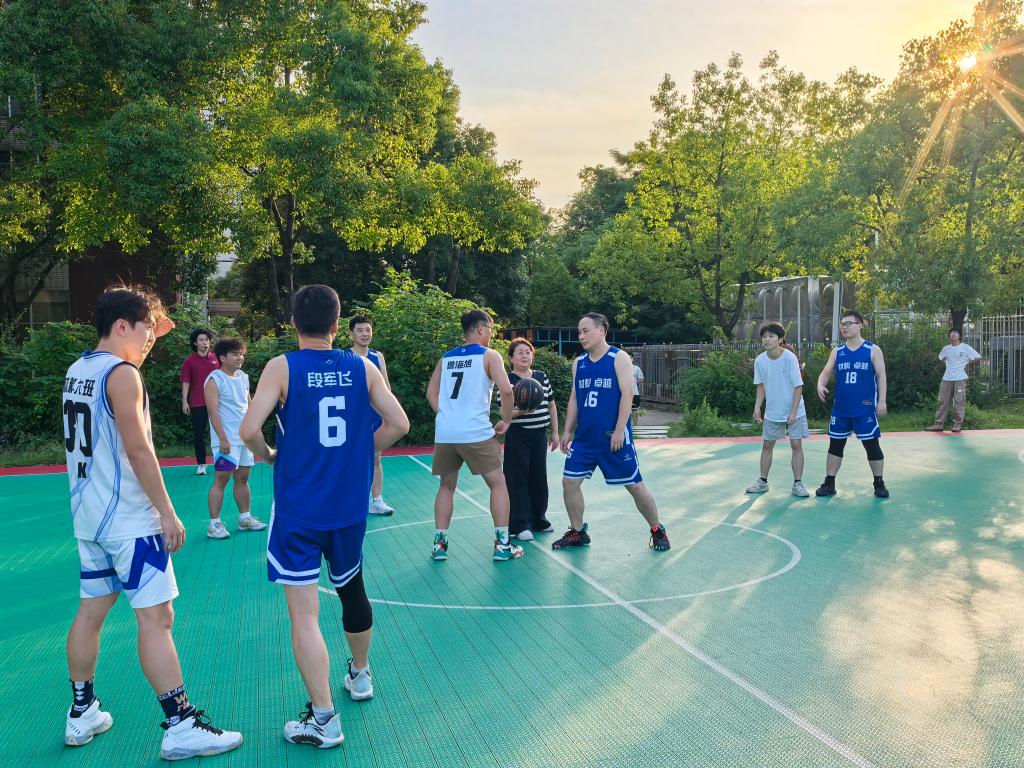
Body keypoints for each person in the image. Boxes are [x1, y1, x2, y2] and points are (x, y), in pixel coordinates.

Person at [62, 286, 241, 759]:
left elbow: (127, 354)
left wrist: (151, 329)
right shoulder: (123, 376)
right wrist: (166, 511)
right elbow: (139, 450)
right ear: (122, 326)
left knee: (91, 611)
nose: (150, 341)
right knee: (157, 619)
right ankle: (181, 724)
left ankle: (82, 711)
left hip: (90, 519)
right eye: (145, 331)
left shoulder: (80, 370)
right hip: (129, 520)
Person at [240, 285, 409, 749]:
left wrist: (269, 455)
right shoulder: (363, 366)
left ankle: (323, 718)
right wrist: (361, 451)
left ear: (293, 323)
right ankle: (360, 674)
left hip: (299, 509)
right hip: (348, 506)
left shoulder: (282, 367)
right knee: (353, 587)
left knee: (304, 613)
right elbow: (400, 424)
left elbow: (249, 429)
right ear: (338, 325)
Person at [556, 313, 670, 551]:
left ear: (602, 330)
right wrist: (566, 430)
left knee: (635, 486)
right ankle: (578, 531)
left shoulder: (618, 358)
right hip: (584, 440)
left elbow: (628, 393)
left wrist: (619, 430)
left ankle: (657, 530)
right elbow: (575, 397)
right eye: (579, 332)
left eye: (586, 330)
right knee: (569, 482)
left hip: (613, 438)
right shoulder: (579, 363)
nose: (581, 336)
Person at [426, 309, 524, 562]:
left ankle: (439, 546)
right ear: (481, 329)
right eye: (490, 329)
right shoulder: (489, 355)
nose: (491, 334)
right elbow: (507, 391)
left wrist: (448, 415)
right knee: (498, 483)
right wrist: (507, 420)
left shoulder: (446, 358)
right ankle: (502, 545)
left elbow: (431, 394)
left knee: (446, 486)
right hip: (475, 432)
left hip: (446, 433)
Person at [815, 310, 889, 498]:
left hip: (864, 408)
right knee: (835, 446)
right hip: (841, 409)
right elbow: (825, 373)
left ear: (860, 325)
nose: (844, 327)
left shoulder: (872, 349)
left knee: (871, 445)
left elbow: (881, 376)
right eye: (842, 324)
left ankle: (879, 483)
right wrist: (820, 384)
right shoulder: (837, 352)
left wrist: (882, 400)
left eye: (848, 323)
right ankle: (829, 483)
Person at [204, 337, 267, 539]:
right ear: (222, 357)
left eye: (241, 354)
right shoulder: (214, 379)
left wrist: (254, 431)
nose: (240, 357)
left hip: (244, 439)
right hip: (226, 441)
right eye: (235, 354)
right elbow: (213, 412)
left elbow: (249, 406)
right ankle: (214, 524)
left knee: (243, 478)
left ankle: (244, 518)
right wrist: (223, 438)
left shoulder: (243, 377)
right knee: (221, 479)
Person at [504, 338, 558, 541]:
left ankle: (538, 519)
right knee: (517, 480)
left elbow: (551, 405)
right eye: (520, 352)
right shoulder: (508, 380)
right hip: (518, 435)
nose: (525, 355)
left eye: (528, 352)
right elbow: (504, 413)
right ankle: (520, 524)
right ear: (511, 358)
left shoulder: (541, 377)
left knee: (539, 478)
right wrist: (523, 410)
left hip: (539, 435)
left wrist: (555, 431)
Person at [747, 322, 810, 497]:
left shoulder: (789, 358)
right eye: (764, 337)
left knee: (796, 445)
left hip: (796, 410)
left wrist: (793, 412)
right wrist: (757, 407)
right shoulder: (760, 360)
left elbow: (798, 387)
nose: (766, 339)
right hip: (773, 411)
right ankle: (762, 482)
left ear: (780, 339)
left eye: (771, 336)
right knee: (767, 445)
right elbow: (760, 386)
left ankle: (798, 484)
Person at [349, 315, 395, 515]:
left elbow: (386, 388)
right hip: (352, 418)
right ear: (351, 334)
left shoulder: (378, 356)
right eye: (360, 330)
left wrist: (388, 413)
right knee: (351, 459)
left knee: (376, 458)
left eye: (368, 330)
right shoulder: (345, 357)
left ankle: (376, 500)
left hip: (375, 417)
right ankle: (353, 500)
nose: (365, 334)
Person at [926, 329, 981, 433]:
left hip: (960, 378)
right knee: (942, 400)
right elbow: (941, 358)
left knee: (959, 401)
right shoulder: (946, 349)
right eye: (951, 333)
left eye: (956, 333)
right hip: (946, 378)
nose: (953, 334)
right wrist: (949, 365)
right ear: (949, 336)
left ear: (959, 336)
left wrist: (967, 363)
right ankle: (938, 424)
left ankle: (957, 424)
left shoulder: (965, 347)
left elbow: (978, 357)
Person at [180, 328, 219, 475]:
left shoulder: (216, 358)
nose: (205, 342)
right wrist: (184, 401)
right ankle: (202, 464)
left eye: (207, 339)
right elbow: (186, 382)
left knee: (220, 432)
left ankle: (222, 460)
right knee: (199, 435)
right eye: (201, 340)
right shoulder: (189, 361)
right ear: (195, 343)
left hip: (217, 402)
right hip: (197, 403)